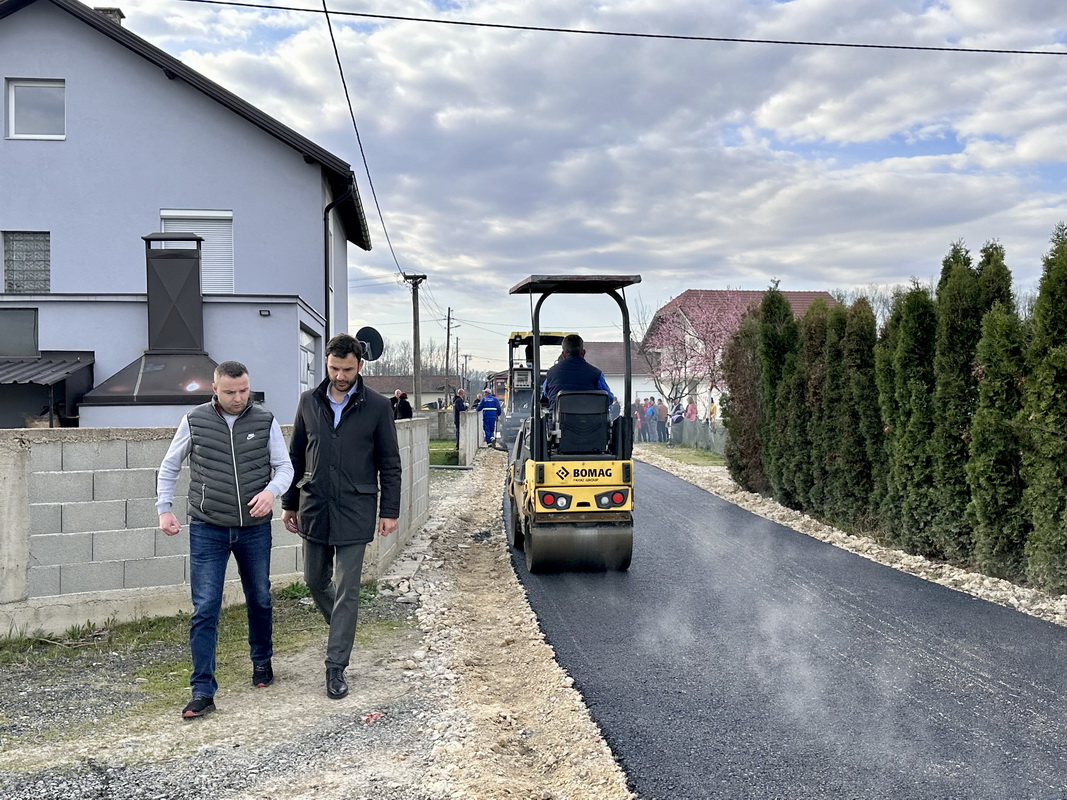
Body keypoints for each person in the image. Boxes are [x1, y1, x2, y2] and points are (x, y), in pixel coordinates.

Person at [156, 360, 294, 720]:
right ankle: (202, 690)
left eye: (244, 390)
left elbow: (285, 467)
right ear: (214, 388)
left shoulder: (264, 420)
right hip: (208, 527)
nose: (238, 397)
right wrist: (164, 509)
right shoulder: (194, 421)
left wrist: (271, 493)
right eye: (230, 391)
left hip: (254, 528)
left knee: (260, 597)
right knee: (205, 607)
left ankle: (261, 661)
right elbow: (170, 465)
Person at [282, 333, 402, 700]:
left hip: (356, 508)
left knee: (348, 589)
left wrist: (390, 511)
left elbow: (390, 463)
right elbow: (295, 456)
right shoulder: (308, 402)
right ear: (327, 363)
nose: (340, 376)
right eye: (334, 368)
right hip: (315, 506)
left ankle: (335, 666)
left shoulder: (378, 406)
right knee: (315, 580)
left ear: (359, 366)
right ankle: (342, 629)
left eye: (347, 369)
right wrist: (289, 503)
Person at [540, 333, 614, 408]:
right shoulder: (596, 374)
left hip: (558, 415)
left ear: (563, 355)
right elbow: (609, 399)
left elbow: (546, 393)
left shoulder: (551, 373)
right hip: (589, 415)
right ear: (583, 353)